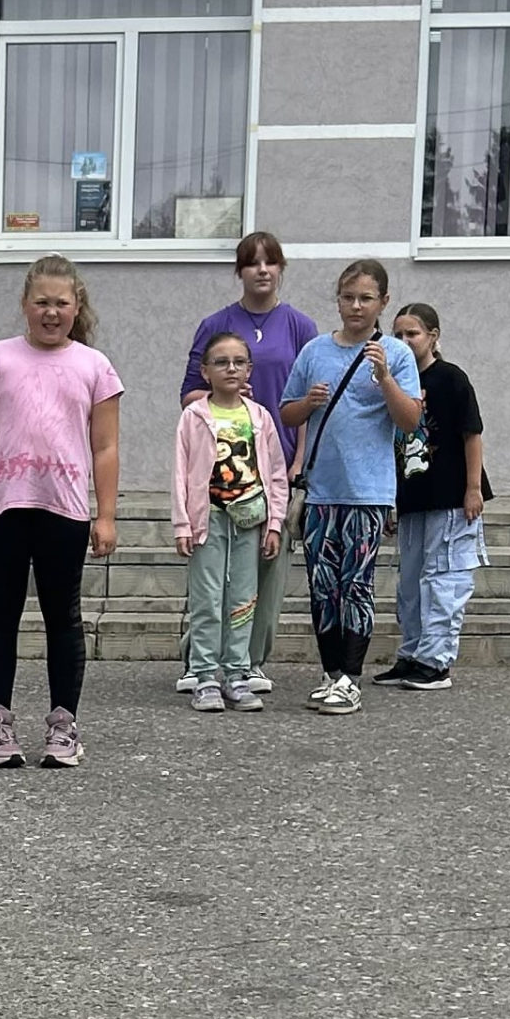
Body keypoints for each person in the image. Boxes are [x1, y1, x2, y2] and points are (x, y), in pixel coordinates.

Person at [0, 255, 123, 770]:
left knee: (63, 619)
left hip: (65, 509)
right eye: (41, 302)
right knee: (1, 616)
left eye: (61, 303)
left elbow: (105, 447)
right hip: (5, 508)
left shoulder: (94, 367)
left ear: (77, 307)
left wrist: (106, 515)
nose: (51, 312)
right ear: (25, 305)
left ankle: (62, 725)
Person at [176, 232, 320, 696]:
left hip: (272, 469)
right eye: (252, 263)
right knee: (210, 578)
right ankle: (200, 666)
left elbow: (308, 402)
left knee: (263, 575)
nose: (262, 270)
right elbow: (188, 395)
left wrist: (299, 460)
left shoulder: (299, 325)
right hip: (218, 479)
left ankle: (248, 663)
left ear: (281, 269)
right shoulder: (216, 324)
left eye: (270, 262)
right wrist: (226, 396)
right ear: (239, 271)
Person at [281, 260, 423, 714]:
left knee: (356, 584)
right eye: (348, 297)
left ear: (383, 302)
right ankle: (329, 672)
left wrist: (384, 379)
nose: (355, 306)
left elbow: (410, 421)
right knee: (323, 586)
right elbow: (286, 412)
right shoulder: (315, 351)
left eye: (366, 298)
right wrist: (308, 402)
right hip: (322, 490)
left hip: (368, 491)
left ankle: (351, 676)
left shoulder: (396, 355)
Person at [170, 331, 289, 712]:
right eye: (221, 362)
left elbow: (274, 473)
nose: (230, 368)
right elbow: (180, 471)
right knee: (207, 597)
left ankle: (237, 673)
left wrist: (274, 524)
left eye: (238, 361)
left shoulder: (259, 416)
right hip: (209, 519)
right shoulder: (194, 416)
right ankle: (205, 674)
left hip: (249, 519)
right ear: (205, 371)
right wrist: (182, 524)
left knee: (243, 598)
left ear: (249, 369)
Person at [375, 303, 488, 692]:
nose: (405, 342)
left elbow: (472, 434)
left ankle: (436, 662)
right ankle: (411, 654)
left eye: (413, 334)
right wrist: (391, 500)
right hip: (412, 497)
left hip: (451, 497)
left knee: (444, 579)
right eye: (398, 335)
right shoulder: (393, 382)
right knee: (410, 582)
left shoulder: (451, 379)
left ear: (433, 337)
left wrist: (472, 489)